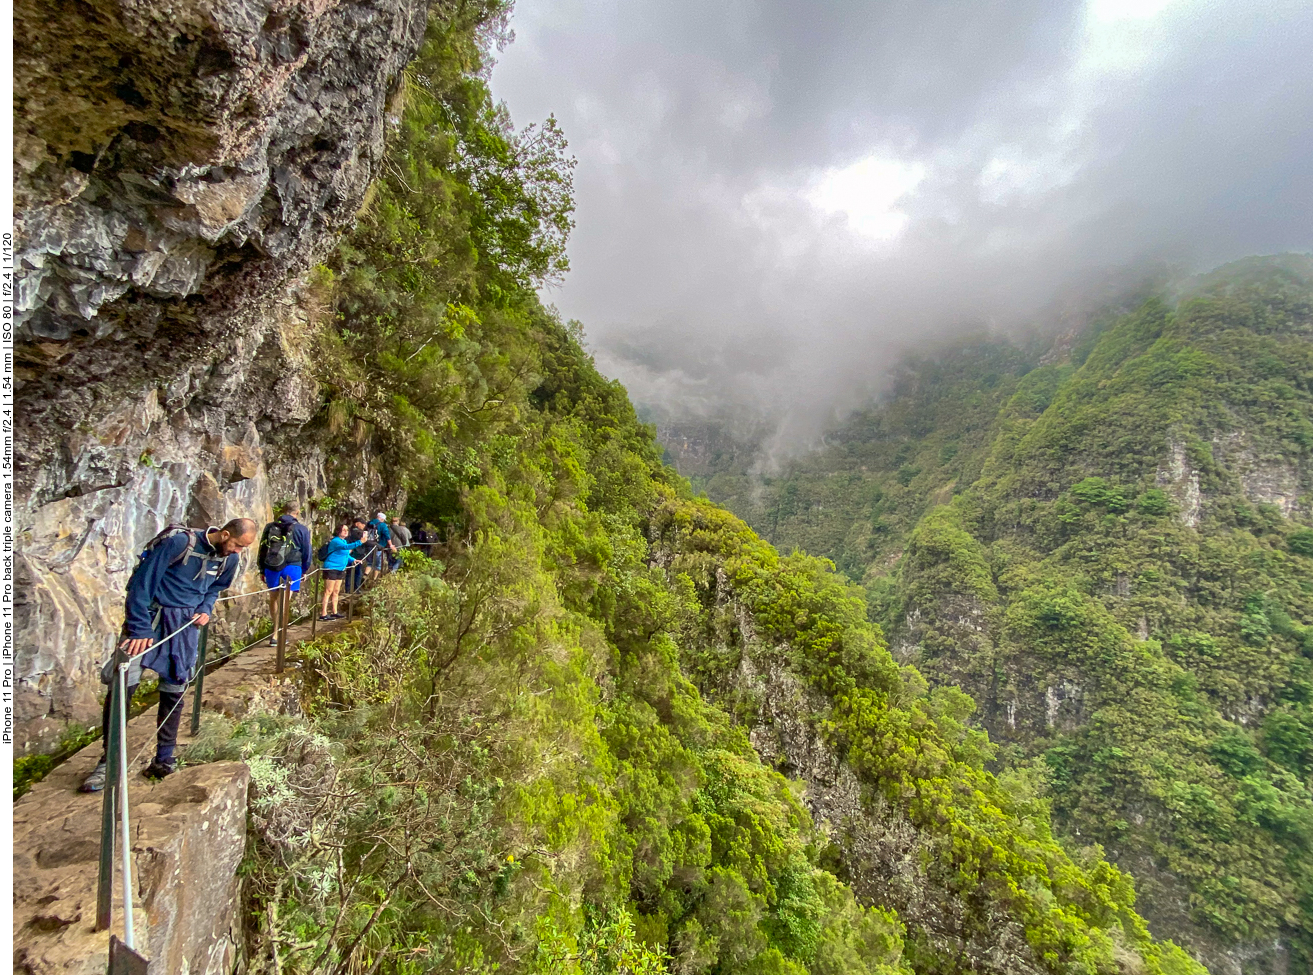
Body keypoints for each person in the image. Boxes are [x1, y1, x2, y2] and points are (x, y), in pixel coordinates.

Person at [81, 518, 258, 791]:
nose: (237, 552)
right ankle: (109, 762)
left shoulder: (228, 560)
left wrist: (206, 607)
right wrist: (139, 629)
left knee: (175, 687)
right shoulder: (179, 543)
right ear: (224, 535)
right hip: (150, 620)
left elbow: (215, 588)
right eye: (236, 545)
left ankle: (165, 756)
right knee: (122, 684)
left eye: (242, 548)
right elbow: (141, 583)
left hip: (185, 625)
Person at [258, 504, 312, 647]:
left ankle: (274, 633)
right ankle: (279, 634)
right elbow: (307, 551)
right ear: (297, 512)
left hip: (272, 565)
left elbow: (263, 548)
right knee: (285, 600)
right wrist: (304, 570)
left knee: (274, 598)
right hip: (293, 566)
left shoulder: (270, 527)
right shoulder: (302, 529)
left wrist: (262, 569)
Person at [319, 523, 353, 621]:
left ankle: (335, 611)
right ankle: (323, 613)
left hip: (340, 568)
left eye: (347, 530)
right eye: (343, 530)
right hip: (331, 568)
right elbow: (346, 549)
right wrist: (361, 541)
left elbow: (345, 554)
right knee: (328, 591)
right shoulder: (336, 541)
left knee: (336, 591)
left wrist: (353, 559)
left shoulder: (344, 541)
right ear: (339, 532)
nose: (346, 532)